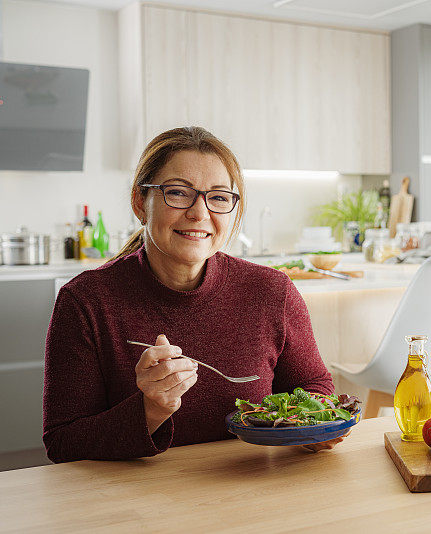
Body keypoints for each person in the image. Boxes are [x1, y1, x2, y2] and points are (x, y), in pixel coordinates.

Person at [43, 126, 344, 462]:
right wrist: (151, 410)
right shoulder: (85, 302)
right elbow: (62, 443)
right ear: (140, 203)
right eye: (178, 192)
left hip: (256, 491)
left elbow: (314, 388)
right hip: (135, 505)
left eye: (217, 197)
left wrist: (315, 428)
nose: (200, 213)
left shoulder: (273, 292)